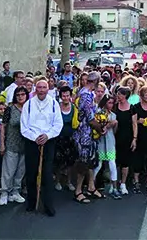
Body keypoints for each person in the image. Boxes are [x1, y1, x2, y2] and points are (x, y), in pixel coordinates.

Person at [20, 80, 63, 216]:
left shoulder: (54, 104)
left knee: (47, 174)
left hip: (48, 141)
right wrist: (35, 138)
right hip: (32, 142)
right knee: (31, 173)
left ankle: (48, 205)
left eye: (44, 87)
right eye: (39, 87)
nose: (42, 90)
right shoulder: (29, 104)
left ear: (47, 88)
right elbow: (24, 126)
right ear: (35, 89)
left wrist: (47, 135)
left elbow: (58, 124)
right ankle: (32, 203)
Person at [72, 72, 105, 204]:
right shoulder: (85, 95)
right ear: (96, 81)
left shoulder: (89, 94)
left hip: (89, 134)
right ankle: (78, 191)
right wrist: (100, 128)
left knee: (91, 161)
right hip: (83, 134)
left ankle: (91, 186)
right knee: (83, 163)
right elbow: (90, 118)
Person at [0, 86, 28, 206]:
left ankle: (15, 191)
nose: (20, 97)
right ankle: (5, 192)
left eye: (23, 94)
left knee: (20, 171)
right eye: (18, 95)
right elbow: (3, 126)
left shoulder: (29, 108)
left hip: (25, 144)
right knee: (8, 171)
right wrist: (2, 144)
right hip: (11, 143)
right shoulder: (10, 108)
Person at [94, 95, 121, 200]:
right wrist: (109, 124)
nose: (111, 105)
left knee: (112, 163)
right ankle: (92, 186)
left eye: (112, 103)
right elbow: (100, 129)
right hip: (100, 142)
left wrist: (114, 125)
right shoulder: (99, 113)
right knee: (98, 165)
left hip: (110, 142)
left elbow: (114, 131)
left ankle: (114, 188)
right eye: (109, 102)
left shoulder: (113, 115)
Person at [115, 87, 137, 195]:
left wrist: (134, 139)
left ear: (125, 95)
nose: (118, 96)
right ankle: (114, 183)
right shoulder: (115, 107)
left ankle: (123, 183)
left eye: (120, 94)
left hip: (127, 137)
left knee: (125, 161)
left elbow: (134, 124)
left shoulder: (132, 108)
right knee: (113, 160)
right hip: (114, 138)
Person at [54, 86, 77, 193]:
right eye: (64, 96)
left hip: (70, 137)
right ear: (61, 96)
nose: (66, 98)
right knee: (58, 161)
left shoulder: (74, 108)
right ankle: (58, 181)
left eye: (68, 95)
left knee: (70, 162)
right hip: (59, 137)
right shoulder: (57, 107)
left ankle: (68, 182)